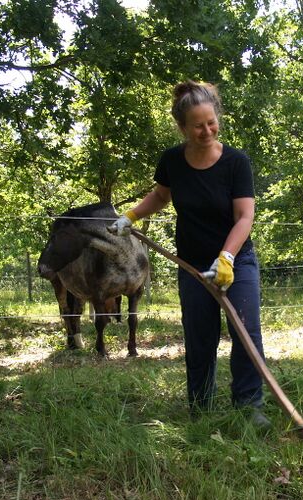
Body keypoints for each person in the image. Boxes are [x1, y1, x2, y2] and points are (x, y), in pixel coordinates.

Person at [108, 80, 270, 429]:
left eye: (211, 122)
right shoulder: (172, 161)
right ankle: (200, 407)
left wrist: (226, 258)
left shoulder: (236, 162)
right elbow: (161, 196)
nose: (206, 131)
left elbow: (245, 217)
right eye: (197, 126)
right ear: (182, 128)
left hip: (236, 261)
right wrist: (131, 216)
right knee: (199, 336)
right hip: (192, 264)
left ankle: (249, 406)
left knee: (246, 332)